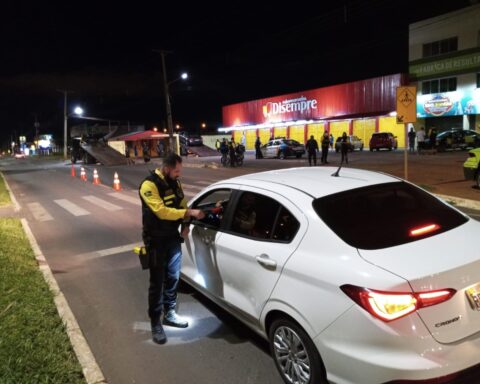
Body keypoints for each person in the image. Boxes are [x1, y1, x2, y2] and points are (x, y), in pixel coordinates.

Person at [139, 154, 205, 344]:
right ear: (166, 168)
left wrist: (186, 223)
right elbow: (161, 211)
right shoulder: (148, 185)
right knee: (157, 282)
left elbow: (182, 203)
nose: (178, 174)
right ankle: (155, 322)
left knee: (173, 277)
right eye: (176, 171)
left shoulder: (175, 183)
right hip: (156, 241)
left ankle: (170, 313)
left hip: (172, 238)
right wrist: (189, 213)